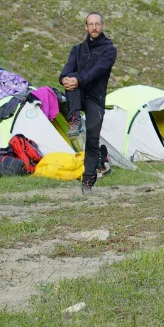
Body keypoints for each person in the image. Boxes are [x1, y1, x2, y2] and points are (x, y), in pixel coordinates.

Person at [60, 13, 117, 195]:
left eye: (97, 24)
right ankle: (75, 119)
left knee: (92, 141)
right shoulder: (77, 50)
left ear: (102, 26)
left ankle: (88, 181)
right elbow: (65, 72)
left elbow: (96, 71)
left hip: (96, 99)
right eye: (90, 24)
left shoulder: (109, 50)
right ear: (85, 27)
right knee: (71, 79)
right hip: (77, 95)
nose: (94, 27)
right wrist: (64, 80)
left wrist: (76, 80)